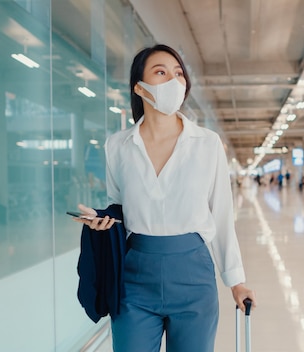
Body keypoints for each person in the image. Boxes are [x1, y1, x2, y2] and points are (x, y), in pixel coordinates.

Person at [72, 44, 256, 352]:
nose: (174, 81)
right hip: (134, 278)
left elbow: (222, 216)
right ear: (139, 87)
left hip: (193, 276)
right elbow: (120, 209)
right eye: (161, 72)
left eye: (178, 73)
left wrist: (236, 280)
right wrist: (104, 223)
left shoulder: (207, 144)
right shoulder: (117, 146)